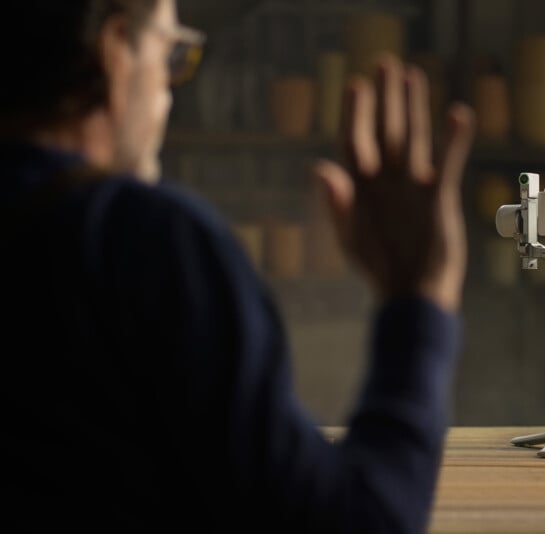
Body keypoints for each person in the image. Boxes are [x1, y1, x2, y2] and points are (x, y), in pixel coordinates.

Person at [0, 0, 474, 532]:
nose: (168, 91)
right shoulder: (138, 241)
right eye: (171, 52)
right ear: (115, 51)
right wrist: (419, 298)